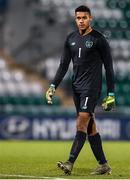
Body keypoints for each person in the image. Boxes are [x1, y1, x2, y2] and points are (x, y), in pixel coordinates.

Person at [46, 5, 115, 175]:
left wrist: (111, 93)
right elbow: (63, 65)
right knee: (90, 126)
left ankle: (70, 162)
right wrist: (53, 85)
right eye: (78, 18)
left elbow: (109, 67)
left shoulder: (99, 39)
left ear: (90, 18)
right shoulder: (71, 38)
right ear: (75, 19)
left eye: (84, 17)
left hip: (92, 88)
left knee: (82, 121)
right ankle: (103, 165)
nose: (81, 20)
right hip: (76, 87)